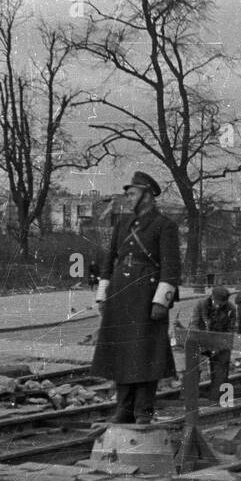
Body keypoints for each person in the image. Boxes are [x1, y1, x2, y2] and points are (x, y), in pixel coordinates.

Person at [91, 171, 182, 425]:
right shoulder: (122, 223)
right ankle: (123, 409)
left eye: (132, 193)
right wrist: (102, 295)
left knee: (145, 355)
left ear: (147, 194)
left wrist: (160, 301)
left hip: (146, 296)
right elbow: (109, 260)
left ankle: (144, 411)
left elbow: (171, 267)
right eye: (128, 194)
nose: (128, 198)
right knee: (122, 353)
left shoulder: (165, 226)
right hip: (120, 295)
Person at [187, 285, 237, 402]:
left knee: (221, 370)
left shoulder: (231, 308)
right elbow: (194, 324)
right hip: (201, 342)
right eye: (217, 302)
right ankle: (190, 399)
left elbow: (231, 329)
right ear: (212, 297)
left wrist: (220, 345)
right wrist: (203, 340)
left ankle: (216, 400)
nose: (219, 305)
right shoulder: (201, 305)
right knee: (194, 368)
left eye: (222, 303)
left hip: (220, 344)